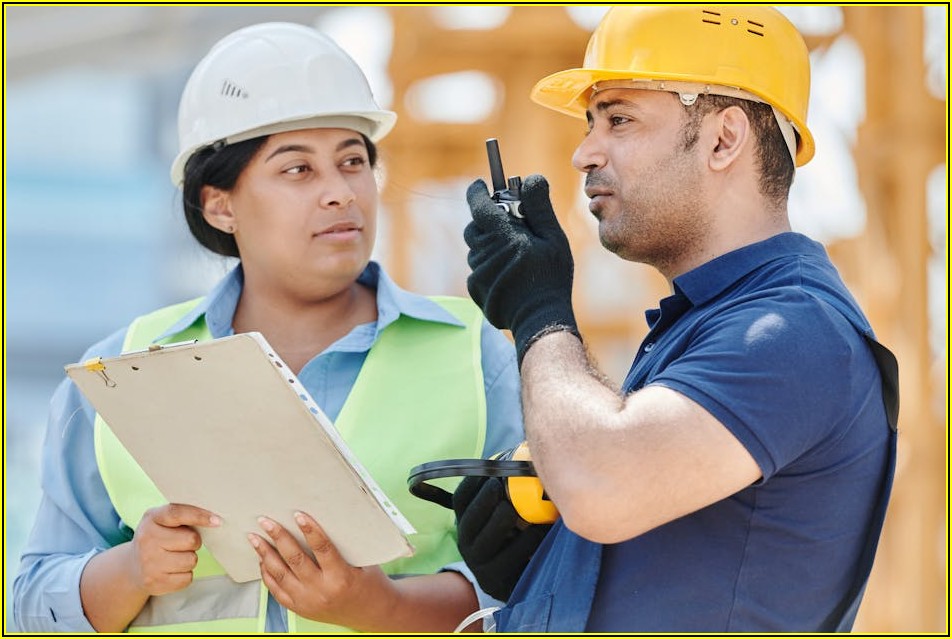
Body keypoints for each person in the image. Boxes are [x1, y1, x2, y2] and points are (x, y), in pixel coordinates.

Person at [13, 22, 523, 634]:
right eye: (298, 170)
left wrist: (380, 607)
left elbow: (540, 584)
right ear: (219, 204)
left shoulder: (476, 356)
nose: (341, 193)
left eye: (353, 162)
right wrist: (131, 571)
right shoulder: (121, 371)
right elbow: (31, 607)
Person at [455, 5, 898, 632]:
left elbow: (601, 483)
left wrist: (539, 312)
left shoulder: (792, 331)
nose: (584, 152)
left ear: (724, 138)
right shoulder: (702, 330)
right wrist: (545, 576)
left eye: (619, 119)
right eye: (591, 123)